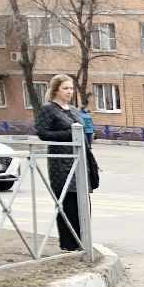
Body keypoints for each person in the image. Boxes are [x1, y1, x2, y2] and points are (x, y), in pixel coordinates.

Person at [34, 73, 99, 253]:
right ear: (56, 90)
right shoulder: (49, 109)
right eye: (65, 88)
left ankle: (83, 241)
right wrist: (70, 135)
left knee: (84, 204)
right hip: (61, 165)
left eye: (71, 88)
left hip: (80, 163)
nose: (69, 92)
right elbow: (42, 133)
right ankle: (69, 245)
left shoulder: (73, 110)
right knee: (68, 205)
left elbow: (82, 133)